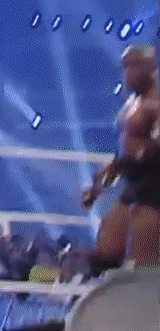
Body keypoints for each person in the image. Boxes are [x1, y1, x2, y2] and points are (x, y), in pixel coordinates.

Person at [83, 45, 160, 269]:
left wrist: (143, 150)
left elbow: (147, 148)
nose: (128, 72)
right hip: (133, 185)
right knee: (104, 255)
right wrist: (98, 185)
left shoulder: (156, 104)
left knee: (143, 267)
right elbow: (123, 155)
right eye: (126, 66)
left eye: (135, 65)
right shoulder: (130, 106)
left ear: (151, 67)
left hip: (155, 189)